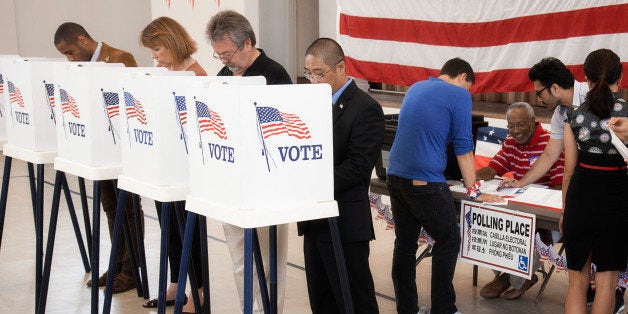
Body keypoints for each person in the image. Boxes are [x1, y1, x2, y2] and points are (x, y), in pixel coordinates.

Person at [386, 58, 502, 314]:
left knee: (404, 244)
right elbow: (463, 147)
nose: (468, 94)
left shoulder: (416, 87)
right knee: (449, 239)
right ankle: (444, 309)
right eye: (469, 87)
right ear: (463, 77)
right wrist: (475, 191)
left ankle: (407, 309)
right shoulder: (459, 95)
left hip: (395, 174)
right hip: (424, 179)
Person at [206, 10, 292, 313]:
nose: (224, 62)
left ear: (248, 43)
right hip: (232, 182)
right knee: (240, 258)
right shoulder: (224, 76)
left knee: (270, 263)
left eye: (227, 54)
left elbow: (282, 135)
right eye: (219, 55)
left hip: (267, 184)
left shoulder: (274, 74)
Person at [54, 22, 142, 294]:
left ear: (82, 40)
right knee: (111, 208)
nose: (69, 59)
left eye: (69, 52)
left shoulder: (120, 59)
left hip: (120, 151)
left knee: (128, 210)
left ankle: (131, 270)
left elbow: (130, 102)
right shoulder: (78, 69)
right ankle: (116, 265)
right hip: (97, 151)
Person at [297, 38, 383, 313]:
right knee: (321, 298)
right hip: (313, 220)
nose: (312, 80)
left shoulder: (365, 108)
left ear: (341, 67)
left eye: (319, 73)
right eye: (309, 73)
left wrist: (312, 184)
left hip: (344, 220)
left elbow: (358, 167)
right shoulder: (310, 103)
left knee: (354, 299)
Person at [139, 16, 206, 311]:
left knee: (190, 231)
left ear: (171, 43)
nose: (155, 57)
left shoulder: (196, 75)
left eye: (157, 50)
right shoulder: (162, 74)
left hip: (188, 168)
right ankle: (177, 283)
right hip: (164, 163)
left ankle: (199, 291)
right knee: (170, 228)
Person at [562, 48, 627, 314]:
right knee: (607, 283)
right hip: (617, 197)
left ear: (585, 79)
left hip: (580, 197)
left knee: (576, 282)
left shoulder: (573, 115)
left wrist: (565, 210)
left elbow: (569, 170)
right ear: (620, 78)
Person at [476, 102, 563, 300]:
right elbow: (492, 170)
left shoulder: (551, 142)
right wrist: (467, 177)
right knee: (487, 224)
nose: (516, 131)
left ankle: (518, 276)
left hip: (546, 215)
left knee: (525, 231)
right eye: (511, 126)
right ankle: (507, 274)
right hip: (519, 208)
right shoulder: (510, 142)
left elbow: (559, 188)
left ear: (533, 121)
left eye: (521, 125)